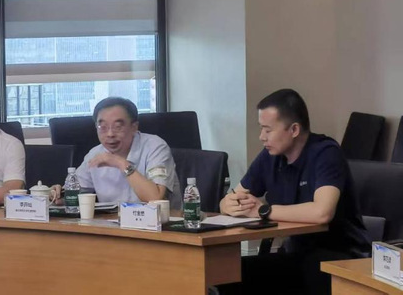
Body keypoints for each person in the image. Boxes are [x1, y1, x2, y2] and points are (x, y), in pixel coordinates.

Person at [218, 88, 370, 295]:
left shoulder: (326, 153)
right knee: (231, 275)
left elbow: (322, 212)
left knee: (310, 269)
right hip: (298, 253)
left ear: (294, 129)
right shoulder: (270, 156)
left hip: (340, 255)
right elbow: (234, 196)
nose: (262, 137)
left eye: (268, 130)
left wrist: (263, 211)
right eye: (261, 129)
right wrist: (228, 204)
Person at [53, 97, 181, 209]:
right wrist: (59, 195)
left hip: (161, 226)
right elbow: (73, 193)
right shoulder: (95, 154)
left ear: (134, 127)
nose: (110, 134)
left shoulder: (155, 146)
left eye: (118, 127)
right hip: (111, 225)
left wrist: (120, 163)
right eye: (103, 127)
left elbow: (156, 199)